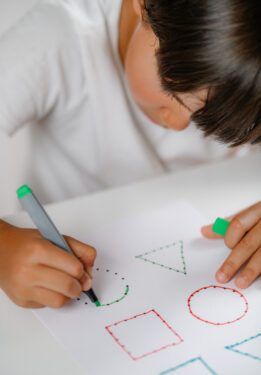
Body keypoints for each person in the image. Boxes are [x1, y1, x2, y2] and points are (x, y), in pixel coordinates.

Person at [0, 0, 260, 309]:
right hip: (56, 269)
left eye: (204, 121)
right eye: (174, 94)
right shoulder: (60, 37)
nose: (177, 125)